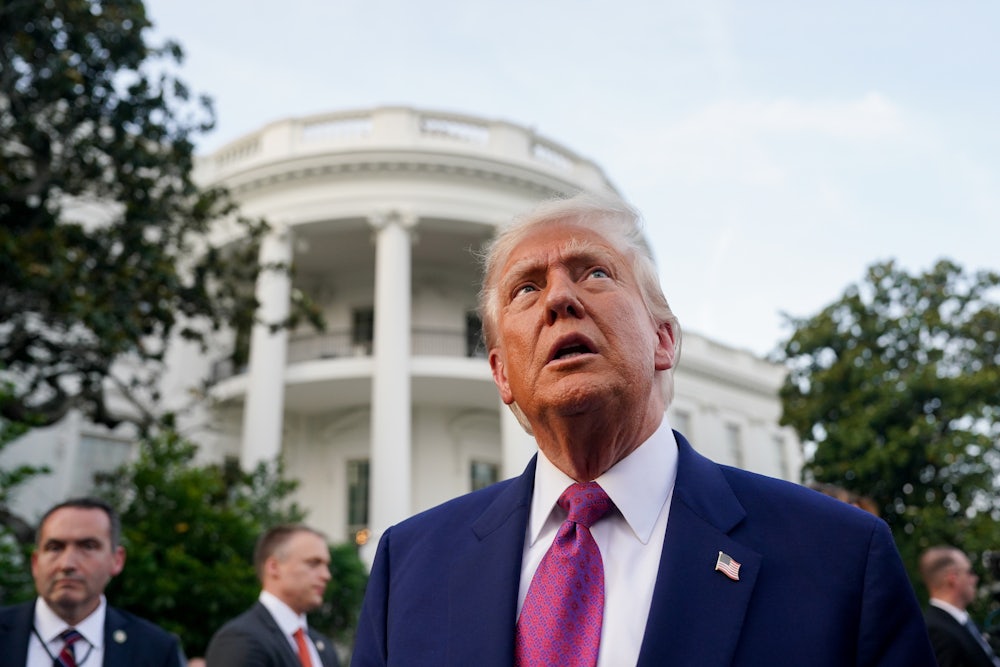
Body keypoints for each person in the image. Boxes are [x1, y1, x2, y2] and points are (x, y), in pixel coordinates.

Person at [350, 193, 936, 666]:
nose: (559, 297)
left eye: (595, 272)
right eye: (526, 288)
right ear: (502, 373)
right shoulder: (411, 565)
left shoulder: (839, 556)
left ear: (663, 340)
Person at [0, 497, 184, 666]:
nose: (67, 564)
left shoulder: (155, 650)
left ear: (117, 560)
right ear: (35, 562)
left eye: (88, 546)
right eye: (55, 547)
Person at [205, 524, 339, 667]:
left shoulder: (322, 647)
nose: (326, 575)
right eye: (313, 563)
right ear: (274, 567)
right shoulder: (240, 640)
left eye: (326, 565)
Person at [920, 545, 1000, 667]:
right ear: (953, 577)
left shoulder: (961, 623)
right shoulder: (937, 632)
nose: (975, 579)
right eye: (970, 572)